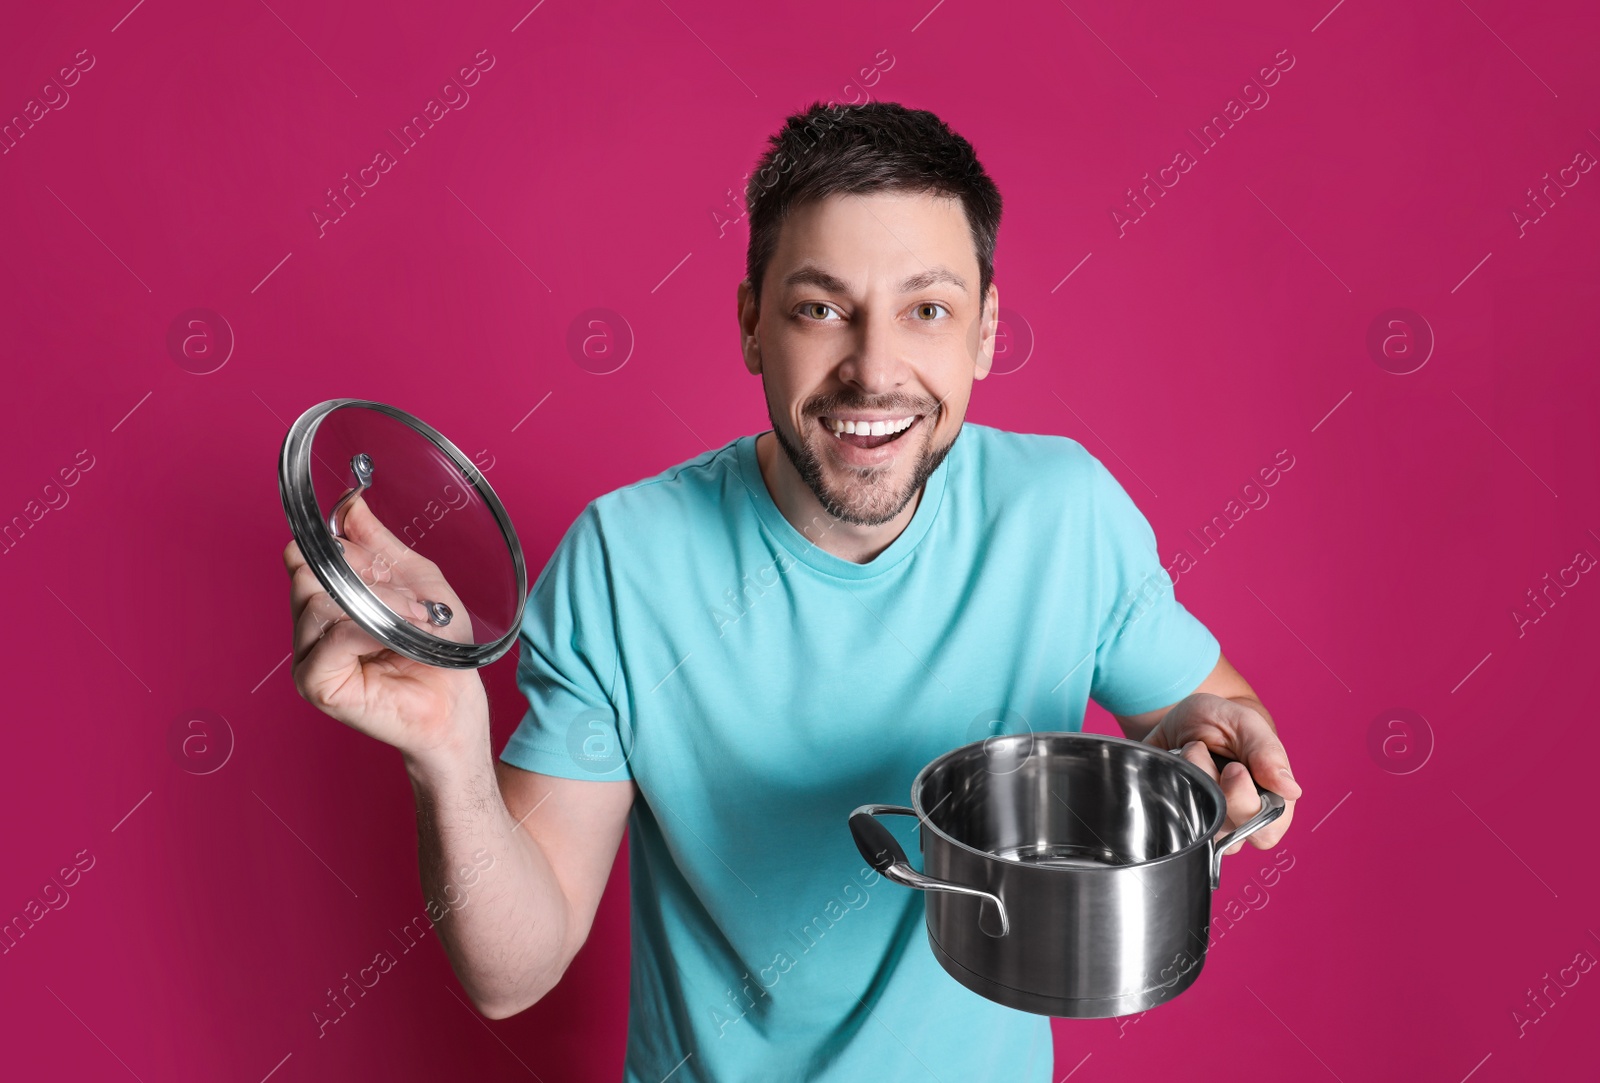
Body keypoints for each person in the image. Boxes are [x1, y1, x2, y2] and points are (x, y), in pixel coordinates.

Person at [283, 100, 1303, 1082]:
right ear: (751, 327)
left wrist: (1222, 751)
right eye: (822, 309)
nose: (873, 370)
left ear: (984, 333)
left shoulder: (1063, 514)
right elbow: (514, 971)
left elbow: (1213, 729)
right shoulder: (623, 558)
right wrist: (448, 747)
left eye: (927, 310)